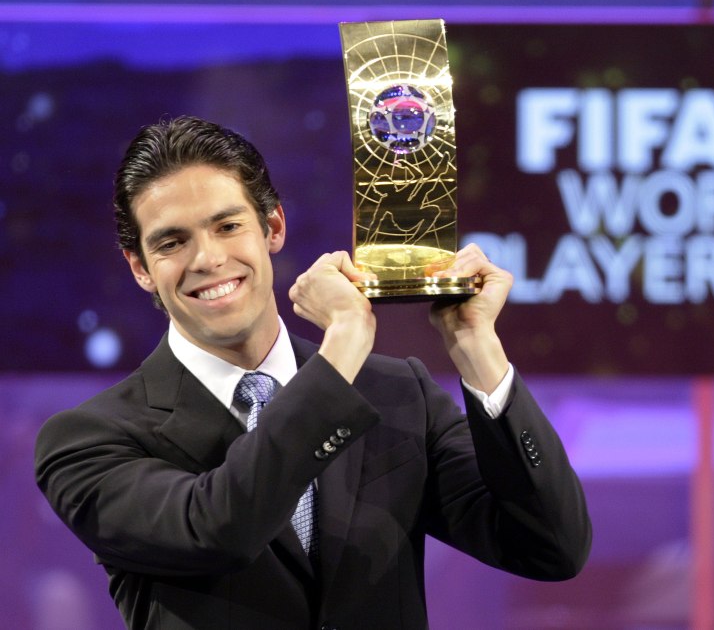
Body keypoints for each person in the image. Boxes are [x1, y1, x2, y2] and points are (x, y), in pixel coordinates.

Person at [34, 116, 591, 629]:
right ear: (141, 269)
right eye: (172, 242)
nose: (206, 259)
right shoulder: (88, 440)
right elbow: (219, 528)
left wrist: (476, 347)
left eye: (227, 226)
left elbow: (548, 546)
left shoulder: (400, 395)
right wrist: (344, 343)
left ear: (272, 227)